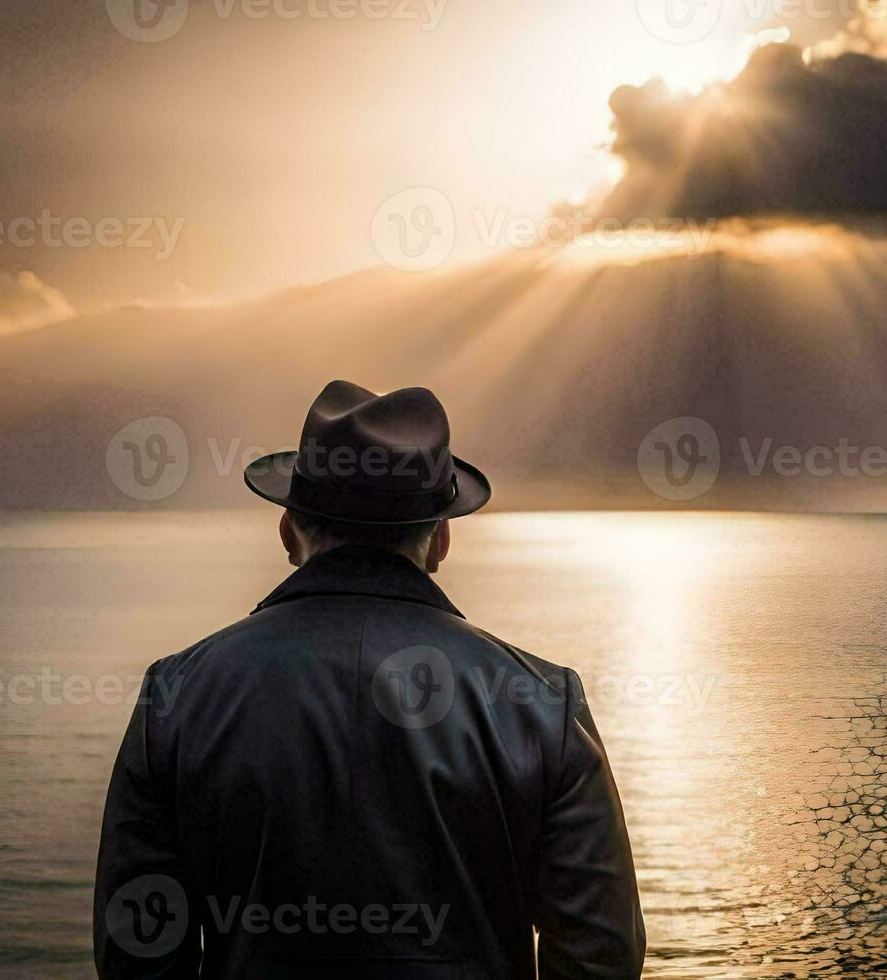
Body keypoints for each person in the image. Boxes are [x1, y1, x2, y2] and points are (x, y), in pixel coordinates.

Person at [94, 380, 645, 979]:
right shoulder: (544, 707)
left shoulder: (174, 700)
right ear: (441, 538)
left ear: (287, 530)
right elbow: (601, 954)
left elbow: (138, 952)